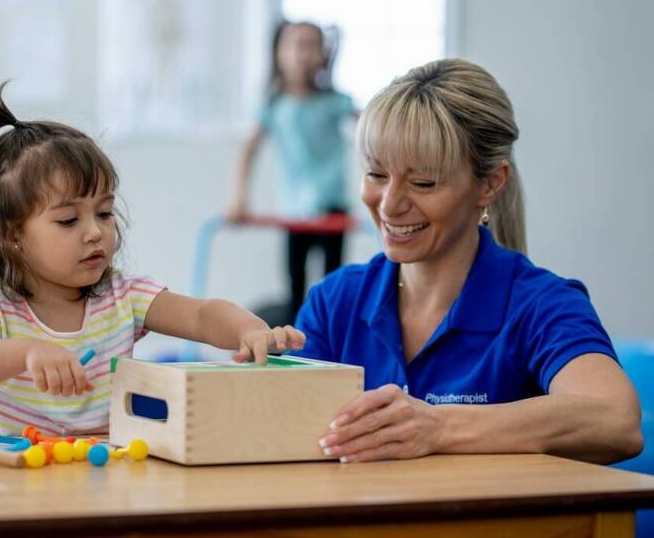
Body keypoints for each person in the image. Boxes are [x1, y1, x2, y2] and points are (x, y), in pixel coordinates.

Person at [237, 58, 643, 465]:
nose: (390, 205)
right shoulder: (335, 301)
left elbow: (615, 420)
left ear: (490, 183)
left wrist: (438, 427)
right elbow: (285, 437)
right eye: (376, 174)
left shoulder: (541, 304)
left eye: (423, 183)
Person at [0, 84, 304, 438]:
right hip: (7, 481)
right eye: (68, 220)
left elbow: (201, 315)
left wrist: (250, 330)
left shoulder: (122, 296)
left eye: (105, 213)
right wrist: (28, 352)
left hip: (98, 477)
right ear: (12, 235)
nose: (94, 232)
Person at [228, 20, 357, 325]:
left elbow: (370, 127)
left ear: (323, 55)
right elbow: (248, 151)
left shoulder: (335, 102)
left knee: (332, 288)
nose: (302, 54)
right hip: (294, 213)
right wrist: (239, 200)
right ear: (278, 54)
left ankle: (331, 346)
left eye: (310, 46)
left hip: (331, 207)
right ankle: (300, 349)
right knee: (296, 289)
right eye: (294, 45)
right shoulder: (274, 106)